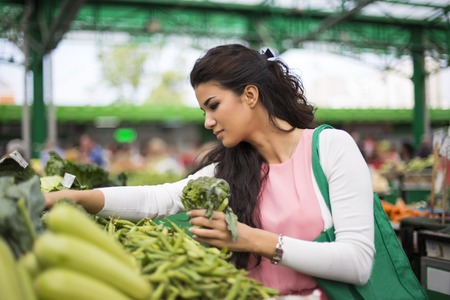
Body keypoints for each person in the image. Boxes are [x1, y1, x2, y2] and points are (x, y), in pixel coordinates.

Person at [45, 44, 375, 298]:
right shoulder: (232, 168)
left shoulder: (330, 147)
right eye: (203, 110)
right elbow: (157, 199)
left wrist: (250, 239)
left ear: (249, 95)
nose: (208, 122)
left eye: (213, 105)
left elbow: (357, 263)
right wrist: (72, 196)